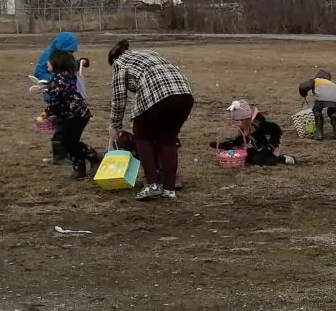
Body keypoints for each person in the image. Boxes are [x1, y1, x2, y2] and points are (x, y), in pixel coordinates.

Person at [106, 40, 193, 201]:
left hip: (159, 95)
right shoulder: (149, 53)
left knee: (141, 136)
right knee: (168, 139)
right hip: (184, 94)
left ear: (113, 59)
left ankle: (152, 185)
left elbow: (119, 97)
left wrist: (114, 125)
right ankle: (169, 189)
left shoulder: (119, 63)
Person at [40, 48, 98, 180]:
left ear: (56, 63)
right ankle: (80, 167)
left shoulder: (59, 80)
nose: (47, 63)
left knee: (69, 142)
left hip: (74, 115)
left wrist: (47, 113)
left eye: (49, 61)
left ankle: (91, 156)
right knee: (70, 142)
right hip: (78, 114)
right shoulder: (65, 75)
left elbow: (57, 100)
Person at [214, 101, 294, 165]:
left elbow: (276, 130)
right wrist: (225, 145)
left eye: (238, 121)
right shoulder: (245, 129)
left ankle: (282, 159)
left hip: (271, 149)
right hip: (259, 149)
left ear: (245, 119)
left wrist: (271, 145)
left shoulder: (260, 125)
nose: (237, 123)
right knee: (246, 155)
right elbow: (240, 141)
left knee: (259, 160)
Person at [298, 68, 336, 139]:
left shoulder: (316, 80)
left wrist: (304, 94)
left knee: (316, 111)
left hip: (322, 99)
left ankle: (319, 134)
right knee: (333, 112)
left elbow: (303, 87)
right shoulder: (331, 83)